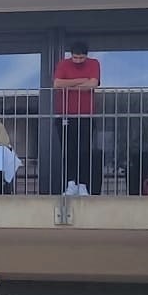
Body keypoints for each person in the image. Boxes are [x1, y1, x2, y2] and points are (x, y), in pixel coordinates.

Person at [52, 40, 102, 197]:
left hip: (86, 116)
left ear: (86, 56)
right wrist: (81, 80)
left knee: (84, 151)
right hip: (65, 115)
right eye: (75, 58)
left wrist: (69, 85)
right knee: (68, 151)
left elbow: (93, 83)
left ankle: (83, 185)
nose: (78, 61)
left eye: (81, 58)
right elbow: (57, 84)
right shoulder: (63, 64)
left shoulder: (94, 63)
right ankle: (70, 184)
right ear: (71, 55)